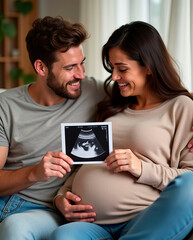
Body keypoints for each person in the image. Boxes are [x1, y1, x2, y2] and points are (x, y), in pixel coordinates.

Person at [50, 21, 193, 240]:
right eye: (112, 68)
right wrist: (61, 197)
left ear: (149, 66)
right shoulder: (112, 105)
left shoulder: (181, 107)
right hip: (92, 223)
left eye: (122, 69)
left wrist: (141, 168)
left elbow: (189, 179)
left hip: (143, 218)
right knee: (63, 237)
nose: (114, 77)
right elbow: (85, 163)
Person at [0, 16, 106, 240]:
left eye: (82, 63)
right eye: (70, 67)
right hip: (10, 201)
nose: (81, 74)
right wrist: (33, 173)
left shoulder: (95, 92)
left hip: (53, 210)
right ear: (41, 67)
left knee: (15, 228)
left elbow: (155, 93)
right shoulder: (6, 106)